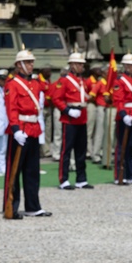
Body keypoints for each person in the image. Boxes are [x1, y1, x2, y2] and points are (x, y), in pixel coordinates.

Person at [2, 47, 50, 219]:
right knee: (14, 171)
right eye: (28, 62)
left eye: (32, 62)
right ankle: (11, 206)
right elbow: (11, 108)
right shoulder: (12, 84)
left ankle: (33, 206)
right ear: (19, 65)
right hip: (20, 129)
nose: (31, 65)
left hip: (33, 128)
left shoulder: (35, 83)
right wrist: (15, 129)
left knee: (32, 170)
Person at [52, 51, 92, 189]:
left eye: (82, 64)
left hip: (82, 117)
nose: (82, 67)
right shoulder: (64, 80)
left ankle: (81, 178)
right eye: (80, 64)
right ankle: (63, 179)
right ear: (72, 65)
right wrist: (67, 110)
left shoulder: (82, 81)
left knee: (81, 150)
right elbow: (56, 98)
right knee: (66, 150)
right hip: (69, 119)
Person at [111, 53, 132, 185]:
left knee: (131, 146)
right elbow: (118, 100)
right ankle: (119, 174)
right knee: (121, 146)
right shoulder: (119, 80)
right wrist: (124, 115)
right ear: (127, 66)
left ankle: (131, 174)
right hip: (125, 116)